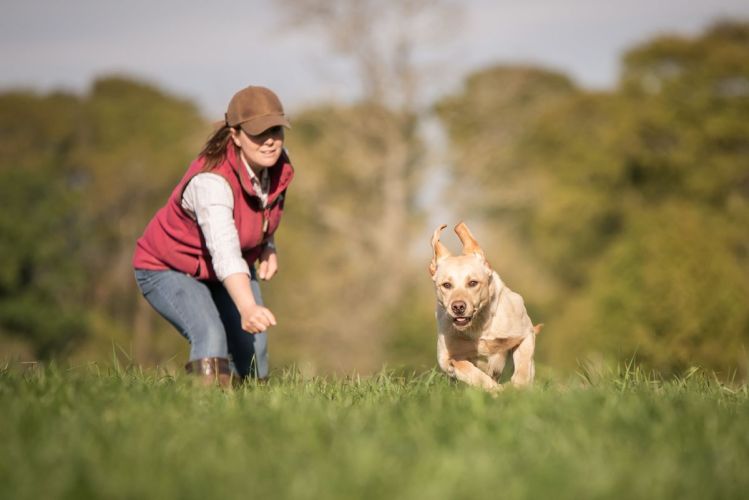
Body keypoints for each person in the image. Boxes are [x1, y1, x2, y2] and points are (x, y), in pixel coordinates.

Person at [132, 85, 294, 387]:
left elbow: (263, 210)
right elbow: (225, 252)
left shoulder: (276, 164)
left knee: (255, 347)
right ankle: (208, 417)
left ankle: (259, 419)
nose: (271, 141)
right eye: (259, 133)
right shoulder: (211, 183)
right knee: (210, 333)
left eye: (276, 129)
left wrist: (267, 245)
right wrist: (246, 308)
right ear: (235, 135)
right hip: (168, 267)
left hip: (220, 269)